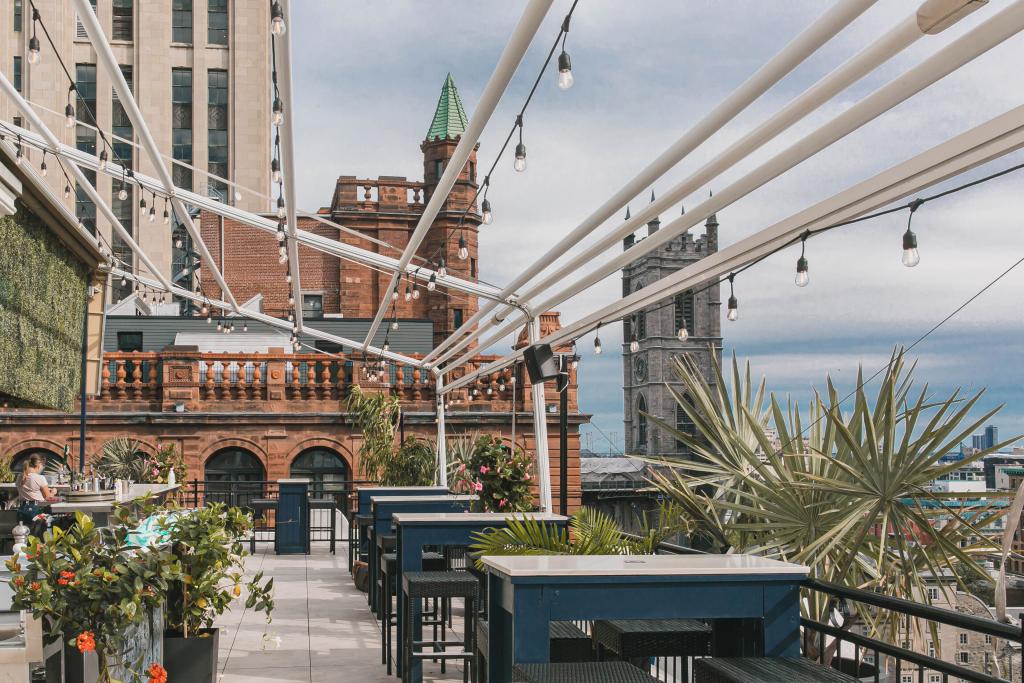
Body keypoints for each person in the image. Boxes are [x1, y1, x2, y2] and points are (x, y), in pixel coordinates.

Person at [15, 455, 56, 524]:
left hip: (21, 511)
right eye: (43, 466)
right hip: (35, 511)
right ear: (39, 465)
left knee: (23, 533)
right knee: (50, 522)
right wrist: (53, 492)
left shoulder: (20, 477)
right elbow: (49, 498)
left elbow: (30, 491)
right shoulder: (40, 478)